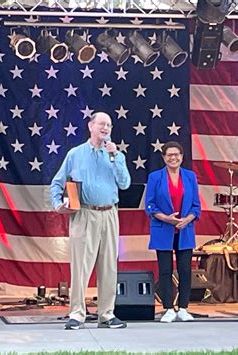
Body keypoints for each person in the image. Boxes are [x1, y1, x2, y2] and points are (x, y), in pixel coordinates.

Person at [50, 112, 131, 330]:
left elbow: (124, 184)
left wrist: (115, 158)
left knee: (108, 267)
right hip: (84, 214)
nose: (106, 128)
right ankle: (77, 313)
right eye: (102, 124)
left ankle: (107, 314)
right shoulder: (75, 154)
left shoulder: (116, 155)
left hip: (109, 213)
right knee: (81, 266)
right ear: (91, 126)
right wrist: (58, 204)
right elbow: (57, 182)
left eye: (109, 125)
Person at [145, 141, 201, 323]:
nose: (173, 158)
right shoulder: (155, 177)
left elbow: (196, 206)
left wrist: (188, 219)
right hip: (163, 229)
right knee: (165, 270)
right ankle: (168, 307)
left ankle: (184, 308)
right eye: (169, 155)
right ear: (163, 158)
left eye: (176, 154)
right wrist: (166, 218)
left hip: (185, 230)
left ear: (182, 157)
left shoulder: (190, 176)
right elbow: (150, 206)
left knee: (185, 270)